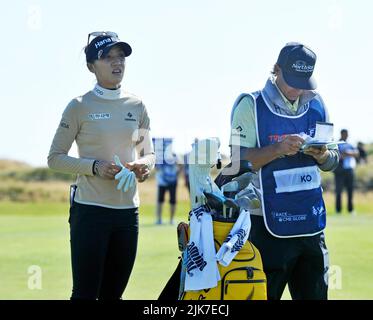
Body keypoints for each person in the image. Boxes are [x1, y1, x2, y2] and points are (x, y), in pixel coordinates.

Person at [48, 31, 155, 300]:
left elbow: (148, 153)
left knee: (113, 295)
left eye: (120, 57)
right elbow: (55, 157)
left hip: (127, 214)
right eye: (108, 57)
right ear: (91, 66)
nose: (117, 63)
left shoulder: (137, 105)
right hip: (90, 213)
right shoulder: (78, 107)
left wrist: (142, 166)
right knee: (84, 294)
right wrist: (95, 167)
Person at [229, 42, 339, 300]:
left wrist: (322, 155)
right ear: (276, 70)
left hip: (311, 226)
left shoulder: (318, 104)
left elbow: (332, 159)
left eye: (303, 81)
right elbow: (236, 161)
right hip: (266, 226)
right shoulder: (250, 104)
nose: (298, 88)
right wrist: (278, 149)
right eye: (292, 80)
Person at [334, 129, 359, 214]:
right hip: (340, 171)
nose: (346, 135)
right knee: (339, 191)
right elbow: (335, 155)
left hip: (349, 169)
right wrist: (342, 155)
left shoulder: (350, 144)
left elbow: (356, 153)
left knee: (350, 190)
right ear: (341, 134)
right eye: (345, 134)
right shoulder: (337, 144)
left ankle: (350, 209)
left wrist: (348, 153)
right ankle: (338, 210)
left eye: (347, 134)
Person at [155, 152, 179, 225]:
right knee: (160, 200)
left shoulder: (174, 154)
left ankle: (171, 219)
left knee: (173, 201)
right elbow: (156, 167)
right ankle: (159, 219)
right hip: (162, 182)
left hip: (172, 181)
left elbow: (179, 166)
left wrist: (176, 175)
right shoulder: (160, 157)